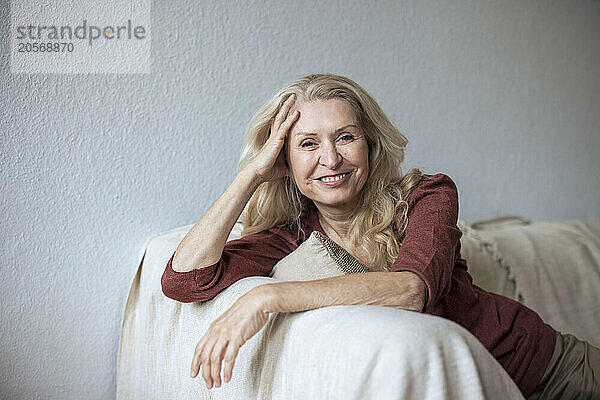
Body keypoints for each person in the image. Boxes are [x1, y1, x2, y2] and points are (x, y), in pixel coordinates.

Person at [161, 73, 599, 399]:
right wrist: (252, 174)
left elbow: (411, 292)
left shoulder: (427, 195)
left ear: (369, 145)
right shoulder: (290, 239)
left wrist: (267, 298)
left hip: (552, 370)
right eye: (308, 144)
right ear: (284, 160)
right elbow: (184, 280)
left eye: (345, 137)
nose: (330, 158)